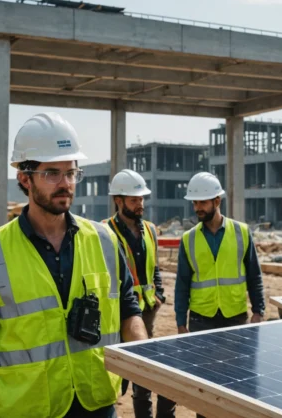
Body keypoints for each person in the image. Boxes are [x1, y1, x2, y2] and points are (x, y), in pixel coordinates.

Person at [0, 112, 148, 418]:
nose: (65, 184)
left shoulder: (103, 240)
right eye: (52, 173)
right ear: (24, 178)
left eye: (71, 173)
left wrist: (144, 360)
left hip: (96, 403)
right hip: (28, 408)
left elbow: (128, 311)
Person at [108, 169, 175, 418]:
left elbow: (154, 266)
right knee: (117, 375)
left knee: (143, 376)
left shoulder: (150, 230)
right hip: (118, 315)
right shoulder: (106, 232)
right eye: (134, 200)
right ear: (119, 200)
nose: (140, 205)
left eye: (142, 199)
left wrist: (160, 295)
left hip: (146, 313)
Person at [175, 171, 265, 334]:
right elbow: (182, 283)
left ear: (217, 201)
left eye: (202, 203)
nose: (197, 208)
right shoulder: (189, 239)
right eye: (194, 203)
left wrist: (258, 311)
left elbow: (254, 276)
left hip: (235, 316)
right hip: (200, 318)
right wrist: (180, 322)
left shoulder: (242, 232)